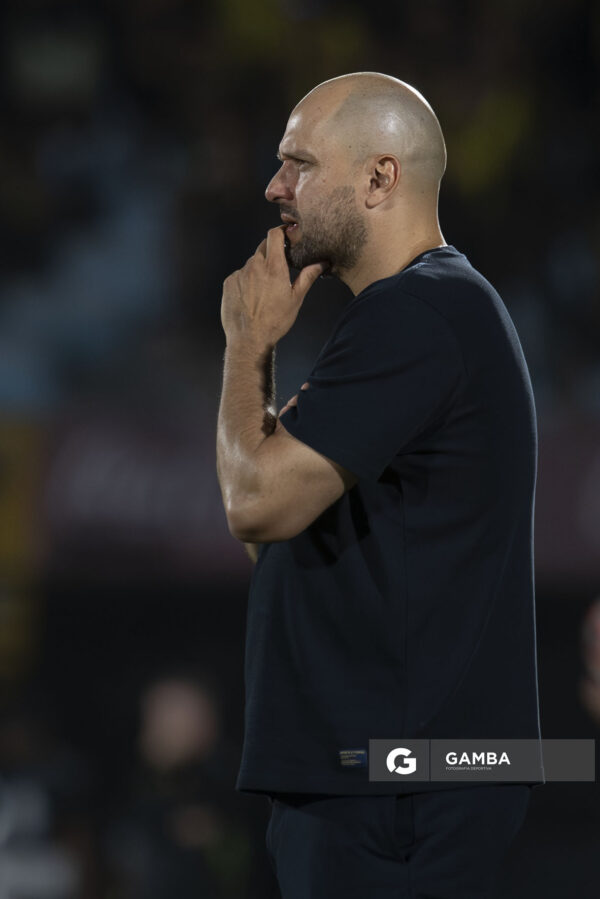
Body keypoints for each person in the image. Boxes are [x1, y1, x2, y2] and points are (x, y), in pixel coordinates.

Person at [216, 72, 544, 899]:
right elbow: (268, 526)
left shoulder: (421, 314)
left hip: (394, 781)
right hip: (401, 775)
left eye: (298, 164)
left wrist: (248, 344)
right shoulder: (424, 313)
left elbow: (253, 499)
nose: (275, 186)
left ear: (379, 177)